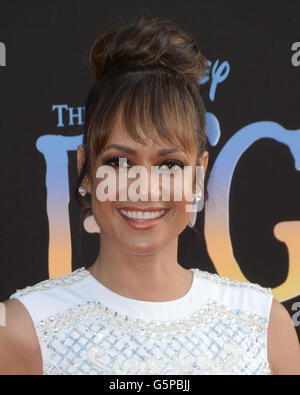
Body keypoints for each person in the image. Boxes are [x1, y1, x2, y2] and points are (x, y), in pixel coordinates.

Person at [1, 14, 300, 375]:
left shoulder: (264, 327)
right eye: (120, 162)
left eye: (169, 165)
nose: (144, 187)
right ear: (87, 169)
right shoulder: (23, 332)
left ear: (198, 175)